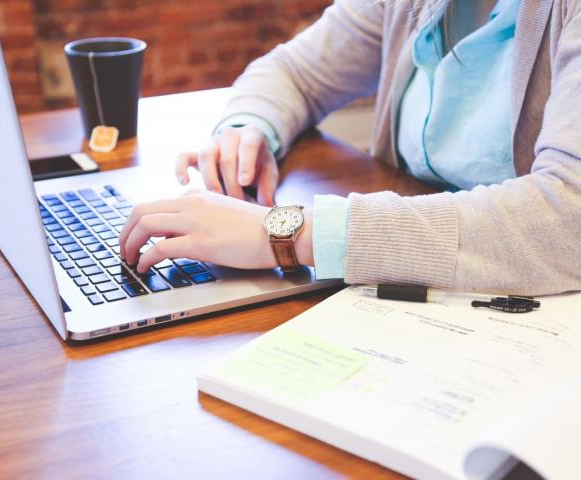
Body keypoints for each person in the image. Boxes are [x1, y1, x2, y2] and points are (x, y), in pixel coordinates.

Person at [120, 0, 581, 295]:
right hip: (417, 289)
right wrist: (248, 129)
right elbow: (295, 71)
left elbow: (567, 218)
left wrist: (287, 234)